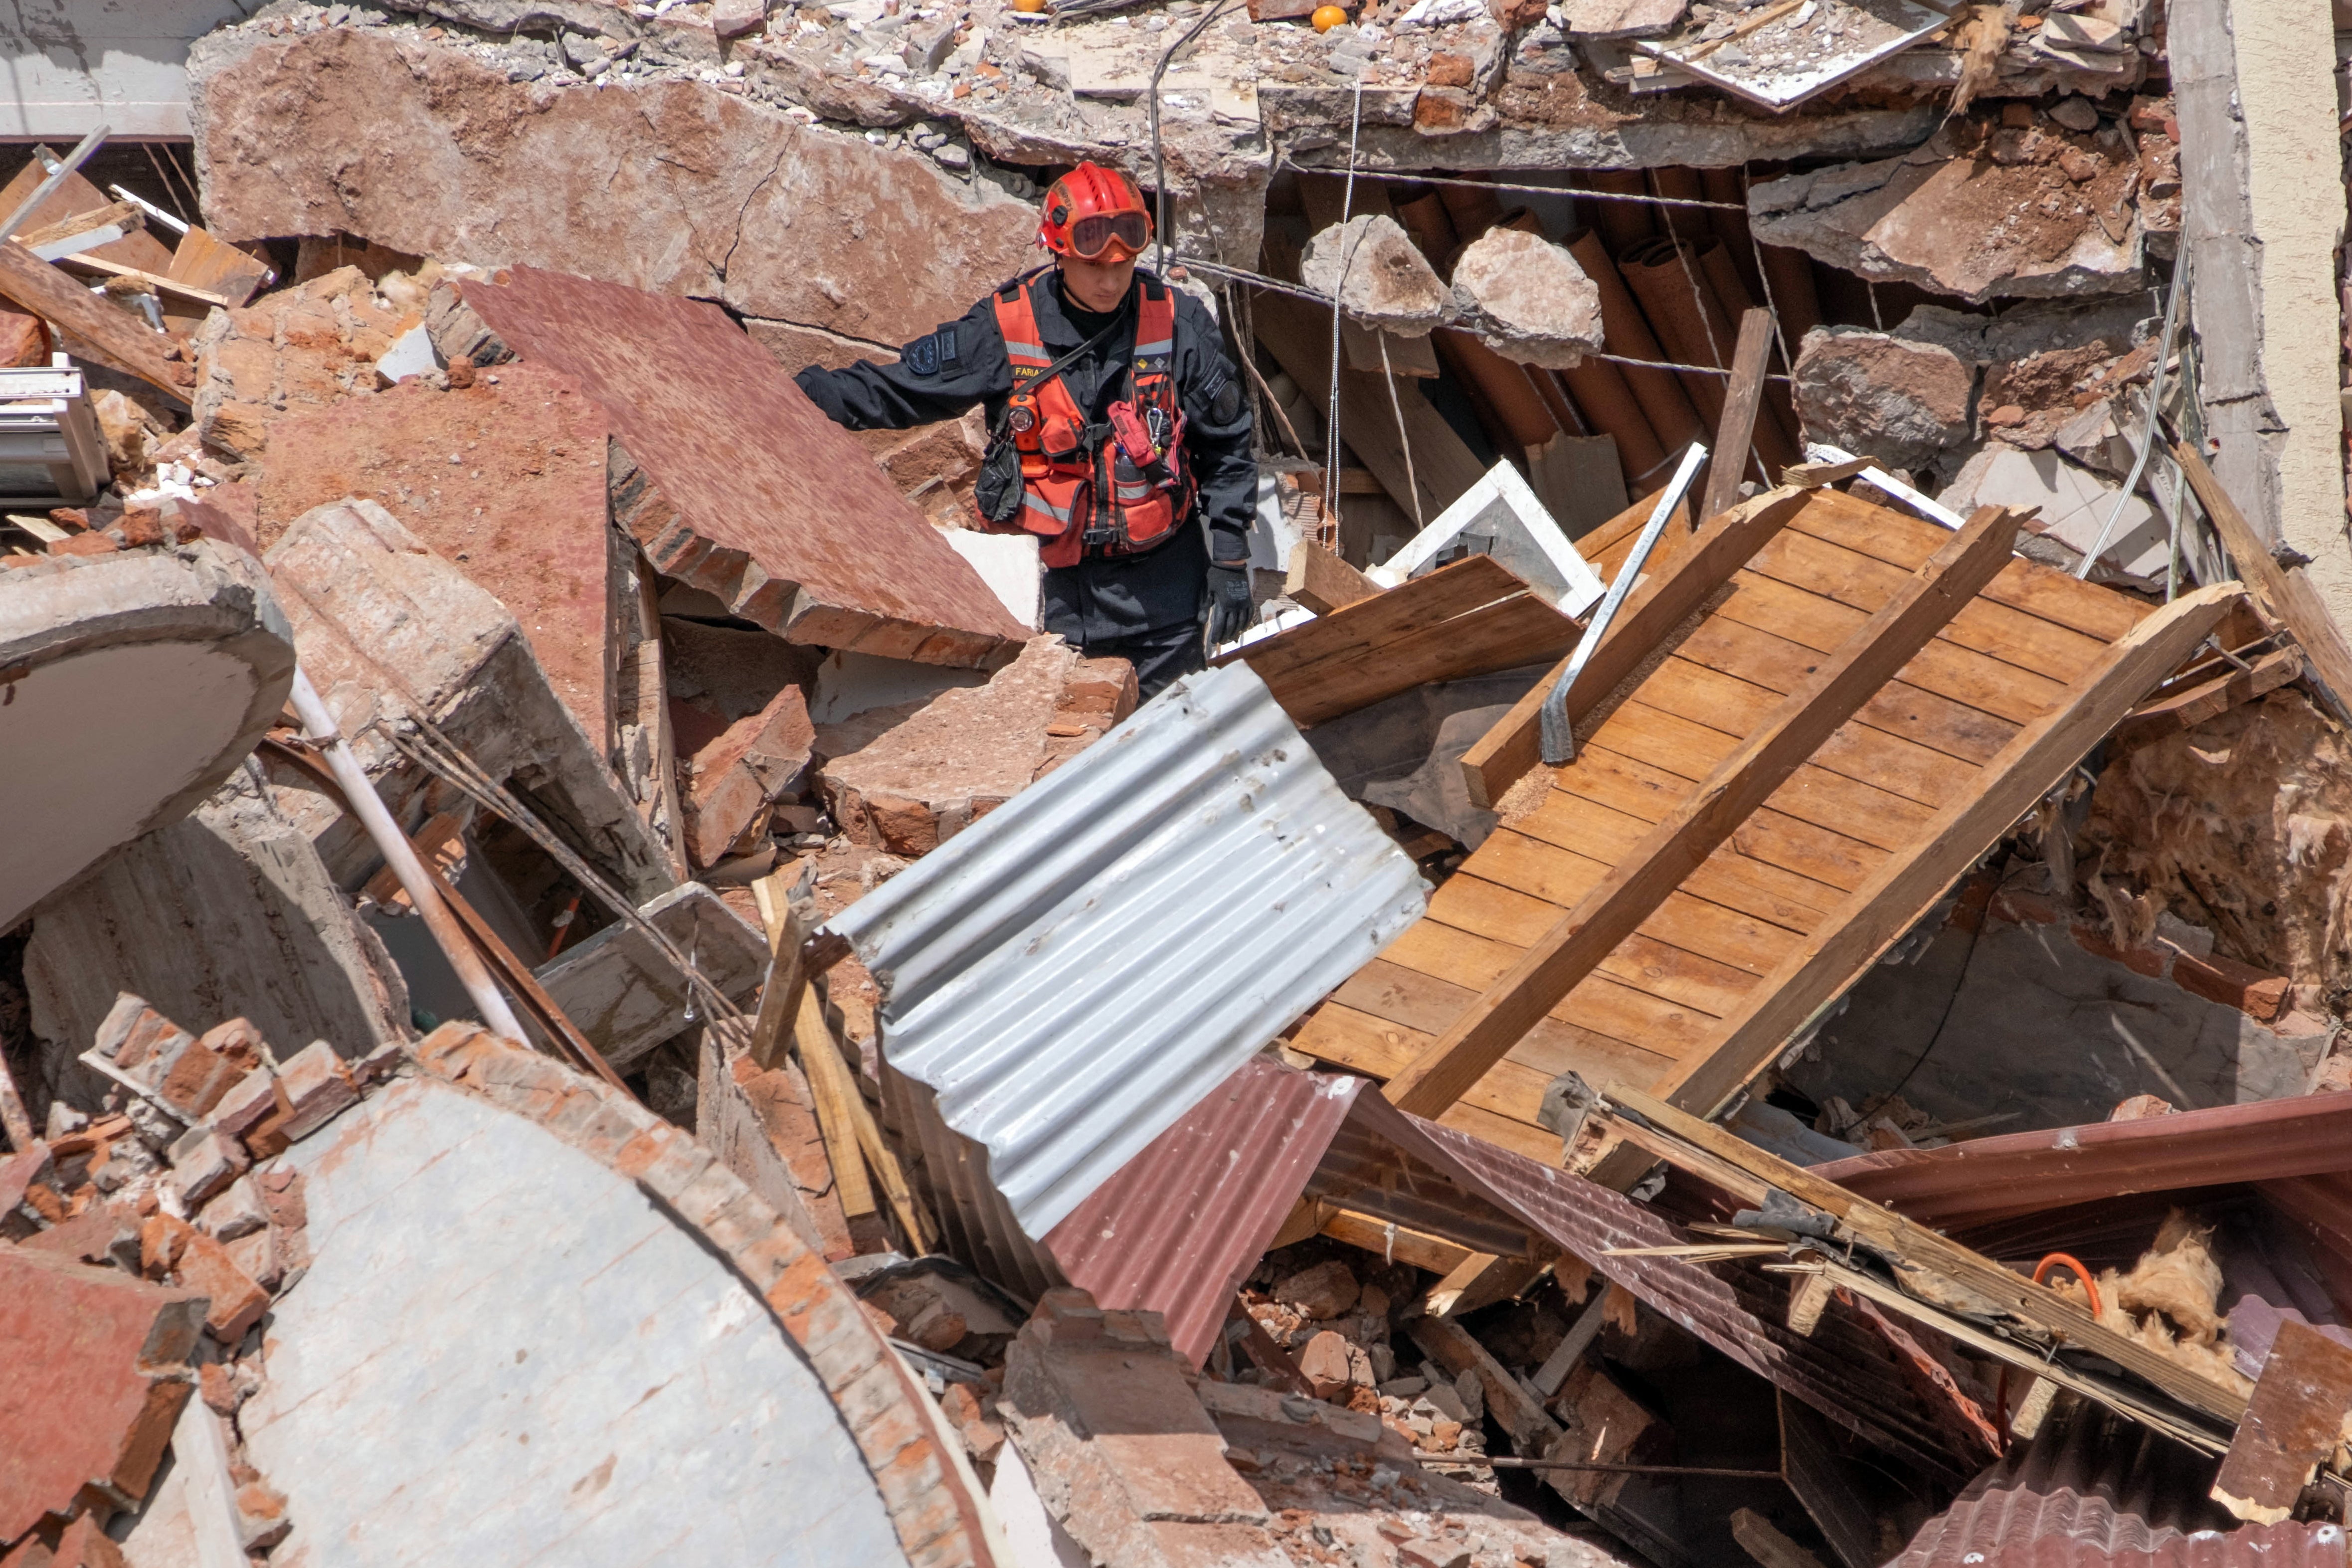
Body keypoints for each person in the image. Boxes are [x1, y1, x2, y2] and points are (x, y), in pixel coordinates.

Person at [794, 162, 1256, 699]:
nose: (1110, 281)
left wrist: (1229, 559)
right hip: (1048, 598)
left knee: (1165, 755)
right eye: (1094, 266)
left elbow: (1227, 447)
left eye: (1123, 265)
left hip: (1166, 599)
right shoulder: (1004, 328)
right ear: (1058, 253)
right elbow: (897, 391)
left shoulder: (1180, 323)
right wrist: (789, 393)